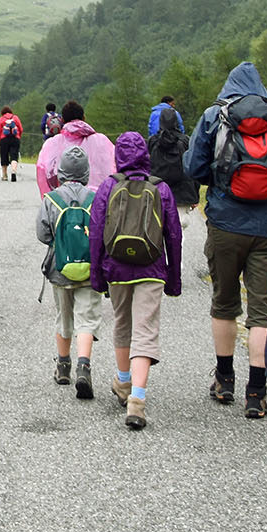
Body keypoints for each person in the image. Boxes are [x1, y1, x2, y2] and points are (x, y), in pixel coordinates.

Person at [183, 61, 267, 419]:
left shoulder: (214, 116)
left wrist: (222, 182)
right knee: (262, 310)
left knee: (224, 302)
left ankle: (224, 381)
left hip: (225, 222)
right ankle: (256, 393)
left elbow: (193, 167)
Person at [88, 131, 182, 430]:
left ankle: (123, 382)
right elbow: (174, 237)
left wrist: (97, 276)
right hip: (151, 268)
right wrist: (173, 278)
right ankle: (137, 401)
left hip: (116, 268)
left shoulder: (107, 187)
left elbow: (96, 234)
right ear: (146, 156)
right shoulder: (161, 189)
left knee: (122, 324)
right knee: (146, 330)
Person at [37, 146, 103, 397]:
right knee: (87, 318)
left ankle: (63, 366)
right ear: (87, 173)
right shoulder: (96, 198)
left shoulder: (51, 198)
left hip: (60, 269)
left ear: (61, 172)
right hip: (89, 270)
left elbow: (43, 234)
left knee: (64, 317)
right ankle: (84, 366)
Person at [34, 100, 116, 196]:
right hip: (97, 202)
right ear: (84, 118)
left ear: (62, 120)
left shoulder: (52, 143)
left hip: (62, 201)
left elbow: (43, 172)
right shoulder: (102, 140)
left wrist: (51, 200)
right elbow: (113, 167)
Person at [0, 105, 23, 182]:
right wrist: (18, 136)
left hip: (4, 140)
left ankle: (5, 175)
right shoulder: (15, 118)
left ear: (2, 112)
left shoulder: (1, 119)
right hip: (15, 138)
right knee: (14, 156)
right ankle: (13, 171)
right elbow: (21, 129)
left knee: (4, 156)